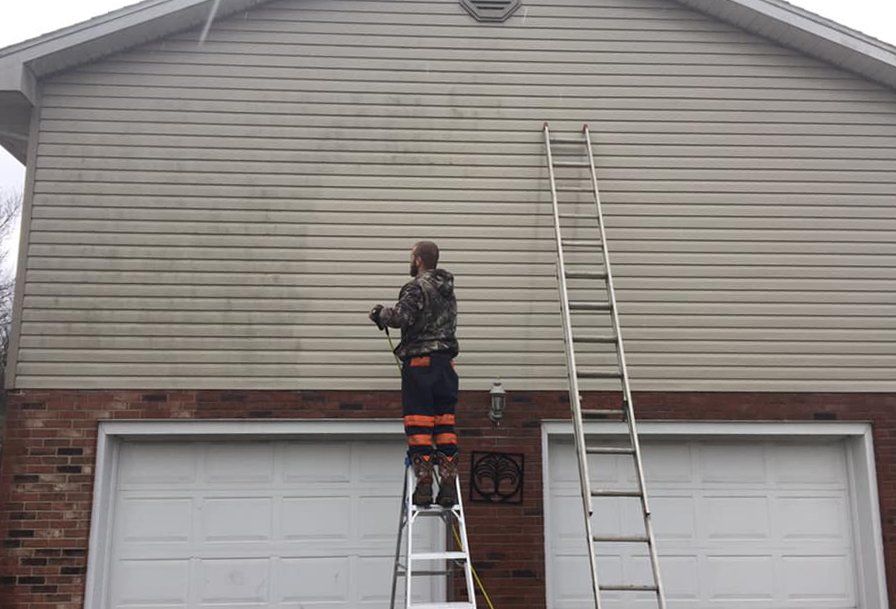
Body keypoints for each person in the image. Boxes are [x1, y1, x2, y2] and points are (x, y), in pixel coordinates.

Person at [369, 241, 460, 507]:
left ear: (419, 260)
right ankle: (448, 481)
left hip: (421, 365)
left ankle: (423, 483)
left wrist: (379, 314)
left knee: (419, 423)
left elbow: (400, 317)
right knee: (444, 425)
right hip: (446, 366)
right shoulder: (447, 291)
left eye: (412, 257)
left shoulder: (416, 287)